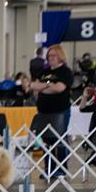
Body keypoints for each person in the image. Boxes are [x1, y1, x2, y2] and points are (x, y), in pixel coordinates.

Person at [31, 44, 73, 179]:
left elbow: (60, 88)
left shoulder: (65, 72)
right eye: (49, 56)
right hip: (44, 111)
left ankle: (61, 168)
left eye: (53, 55)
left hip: (60, 111)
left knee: (59, 139)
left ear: (60, 56)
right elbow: (33, 85)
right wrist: (48, 85)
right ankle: (48, 168)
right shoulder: (45, 72)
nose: (51, 58)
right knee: (46, 140)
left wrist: (44, 87)